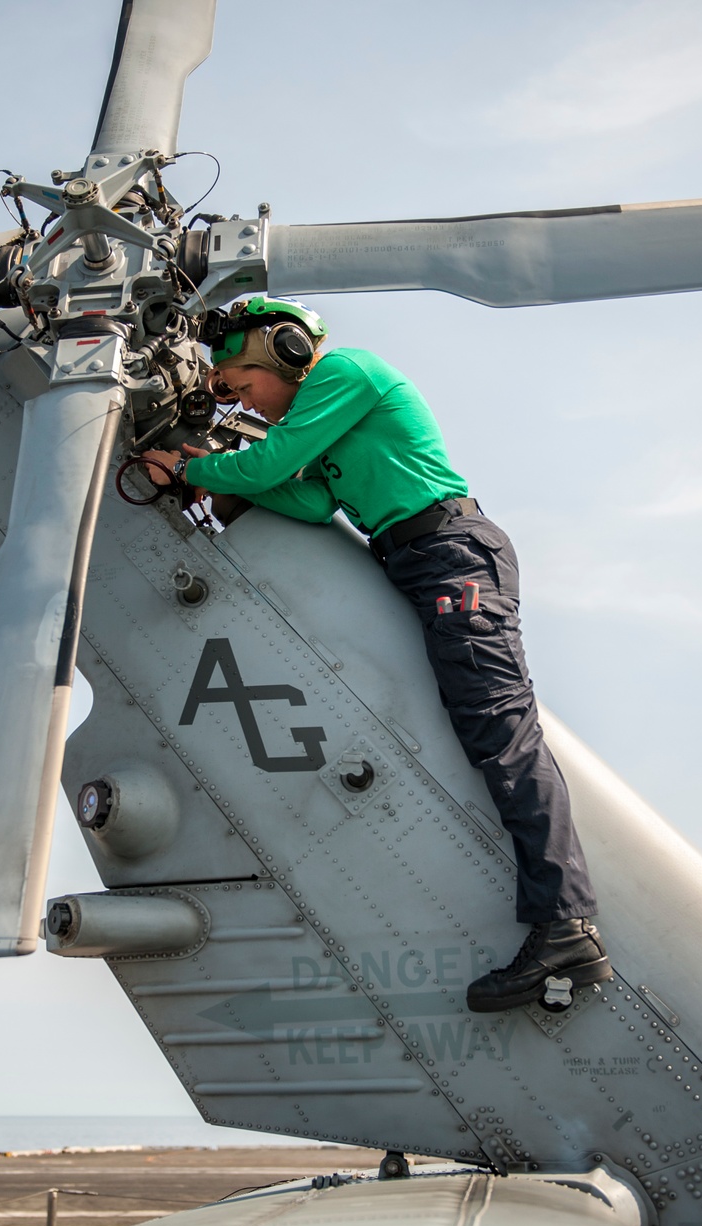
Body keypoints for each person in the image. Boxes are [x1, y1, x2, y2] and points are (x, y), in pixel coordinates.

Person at [143, 296, 612, 1013]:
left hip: (451, 555)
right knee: (481, 732)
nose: (244, 403)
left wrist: (195, 465)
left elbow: (273, 462)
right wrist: (203, 474)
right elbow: (303, 500)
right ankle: (564, 920)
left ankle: (567, 925)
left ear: (287, 352)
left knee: (502, 735)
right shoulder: (320, 424)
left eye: (240, 384)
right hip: (416, 560)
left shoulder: (344, 376)